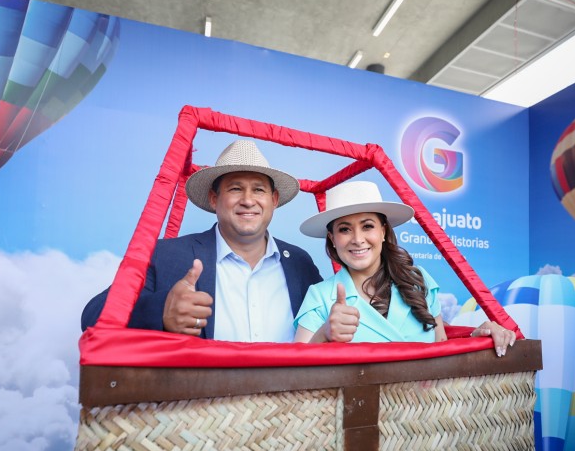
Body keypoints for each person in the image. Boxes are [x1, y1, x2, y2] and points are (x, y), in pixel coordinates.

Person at [81, 139, 322, 341]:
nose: (248, 200)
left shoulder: (300, 263)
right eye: (235, 189)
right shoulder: (167, 256)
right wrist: (162, 311)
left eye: (258, 190)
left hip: (292, 387)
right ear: (214, 199)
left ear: (274, 200)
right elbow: (93, 315)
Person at [293, 181, 516, 356]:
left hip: (426, 402)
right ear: (332, 238)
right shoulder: (319, 296)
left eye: (367, 226)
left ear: (383, 231)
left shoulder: (419, 281)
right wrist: (324, 334)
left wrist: (480, 337)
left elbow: (441, 349)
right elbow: (298, 374)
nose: (358, 239)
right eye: (345, 229)